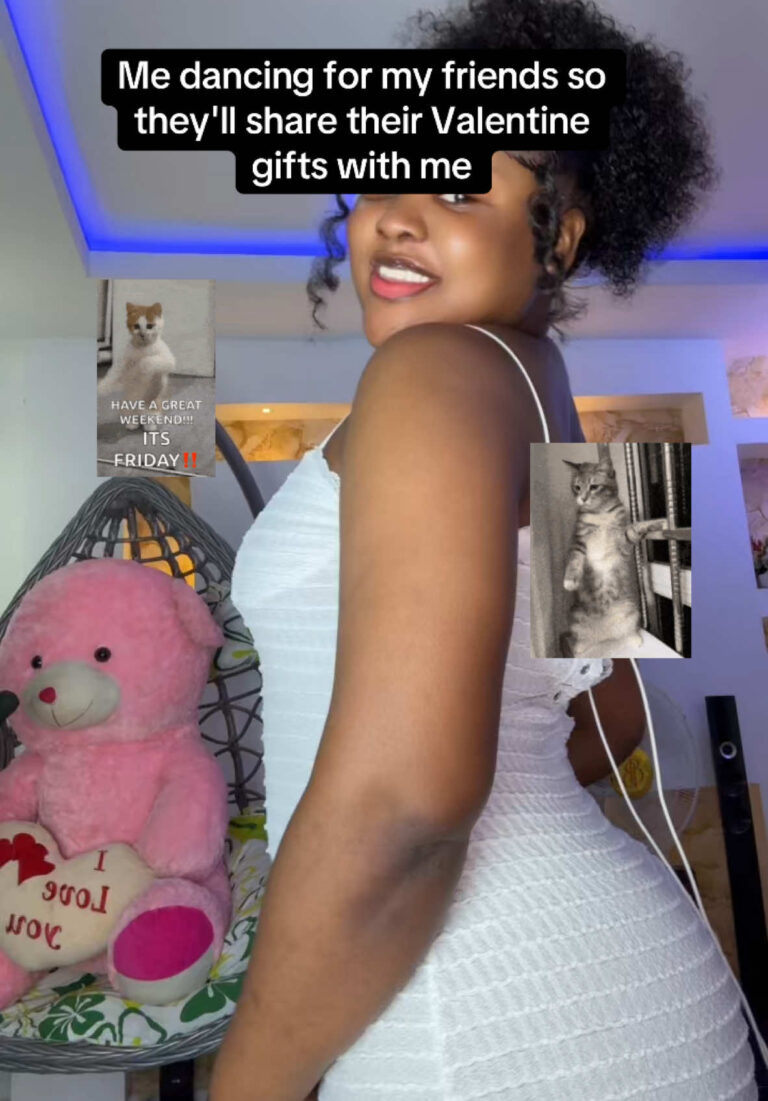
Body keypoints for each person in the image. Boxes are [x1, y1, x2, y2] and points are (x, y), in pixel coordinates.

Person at [213, 1, 759, 1098]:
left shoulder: (429, 372)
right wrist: (518, 802)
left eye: (460, 189)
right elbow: (619, 716)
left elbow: (406, 807)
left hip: (478, 1015)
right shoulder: (579, 421)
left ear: (561, 236)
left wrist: (246, 1083)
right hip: (641, 988)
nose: (396, 218)